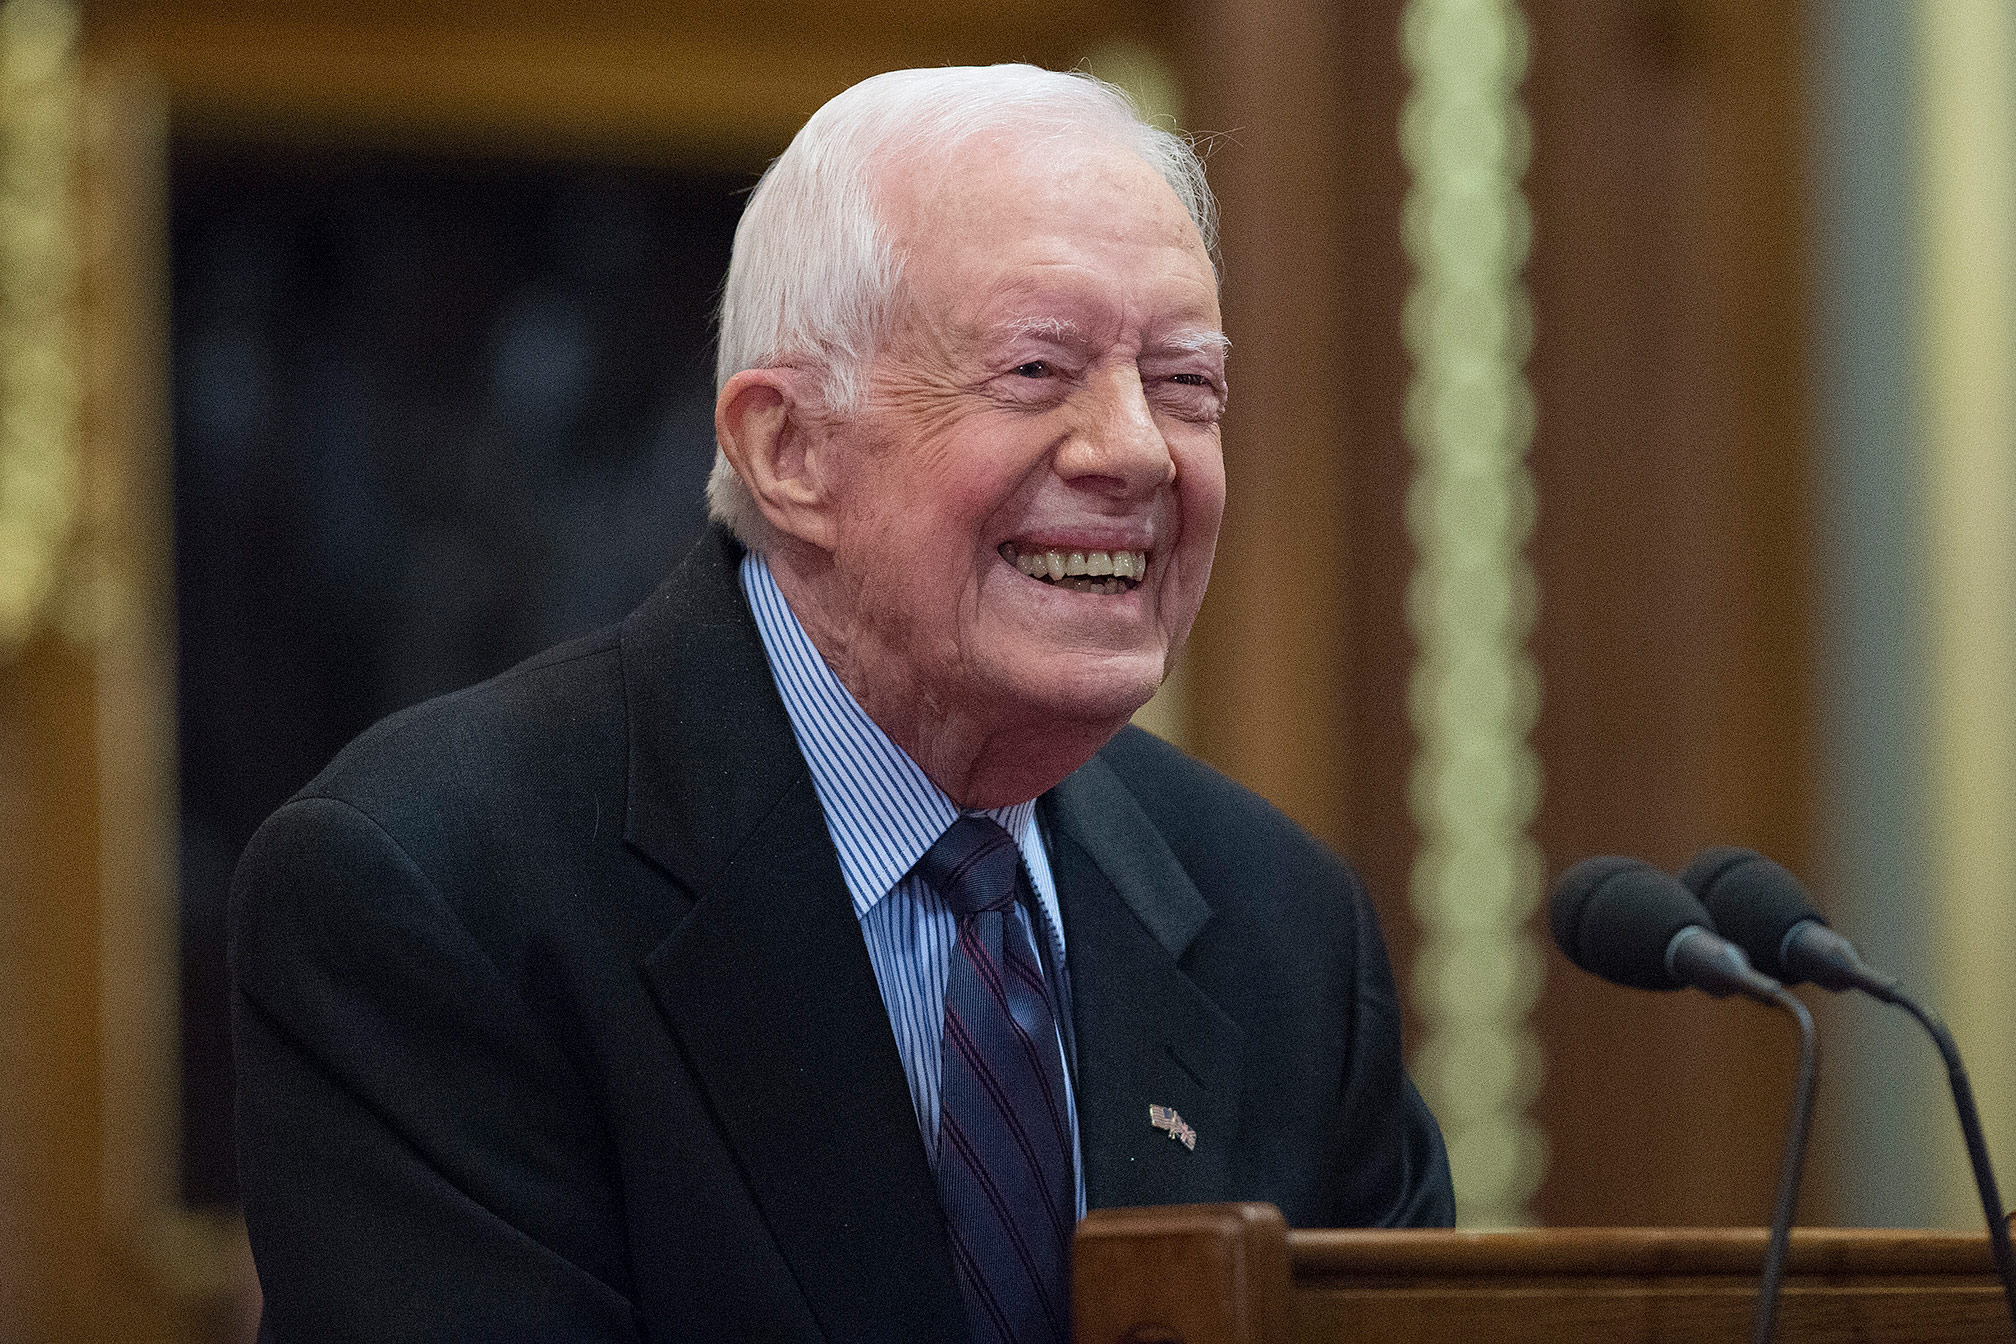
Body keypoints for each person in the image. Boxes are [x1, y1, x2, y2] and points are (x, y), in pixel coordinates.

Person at [230, 64, 1453, 1344]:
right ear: (789, 449)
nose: (1137, 449)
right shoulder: (435, 890)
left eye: (1185, 383)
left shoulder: (1282, 929)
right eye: (1038, 368)